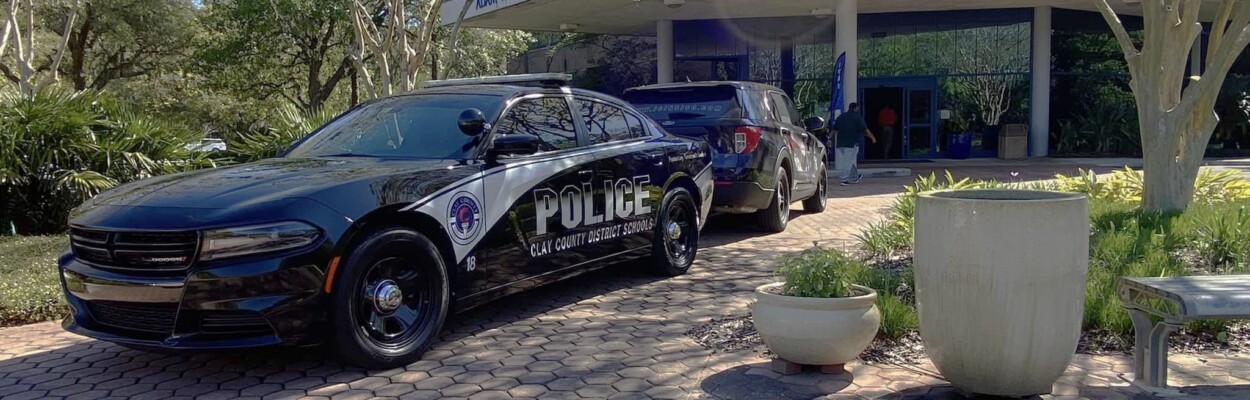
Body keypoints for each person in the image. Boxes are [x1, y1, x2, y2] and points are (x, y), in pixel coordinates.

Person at [831, 102, 876, 186]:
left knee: (849, 160)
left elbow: (834, 129)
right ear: (856, 108)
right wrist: (872, 138)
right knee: (847, 162)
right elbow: (865, 129)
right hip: (852, 143)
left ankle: (854, 176)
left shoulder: (841, 117)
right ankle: (844, 179)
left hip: (841, 143)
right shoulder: (857, 117)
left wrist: (829, 139)